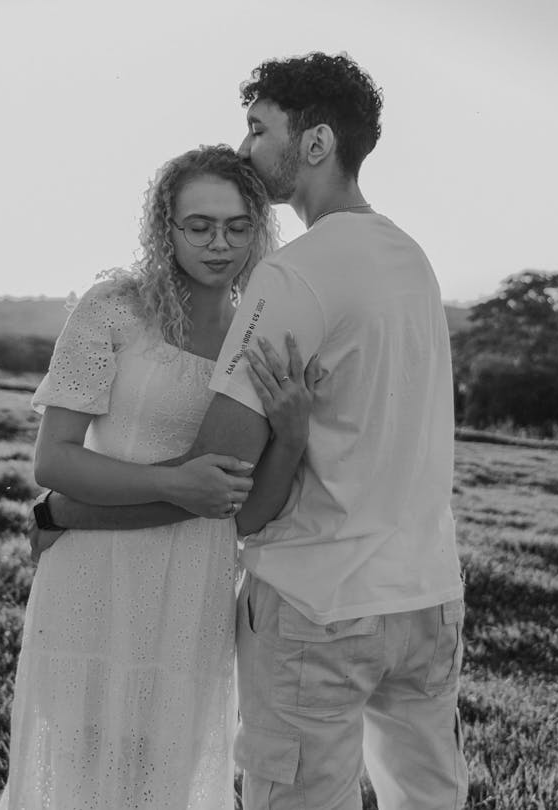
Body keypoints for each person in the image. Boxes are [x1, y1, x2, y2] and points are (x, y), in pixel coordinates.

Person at [35, 51, 468, 810]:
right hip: (429, 598)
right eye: (198, 225)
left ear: (315, 144)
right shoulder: (413, 257)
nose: (244, 146)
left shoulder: (290, 276)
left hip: (319, 603)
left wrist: (65, 512)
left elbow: (221, 479)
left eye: (258, 128)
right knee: (429, 798)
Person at [0, 144, 319, 810]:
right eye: (198, 225)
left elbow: (249, 512)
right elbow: (53, 460)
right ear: (164, 227)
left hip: (195, 588)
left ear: (259, 229)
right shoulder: (114, 308)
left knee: (163, 781)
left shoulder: (256, 335)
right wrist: (172, 484)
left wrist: (292, 436)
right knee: (82, 773)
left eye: (236, 226)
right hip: (95, 578)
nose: (219, 243)